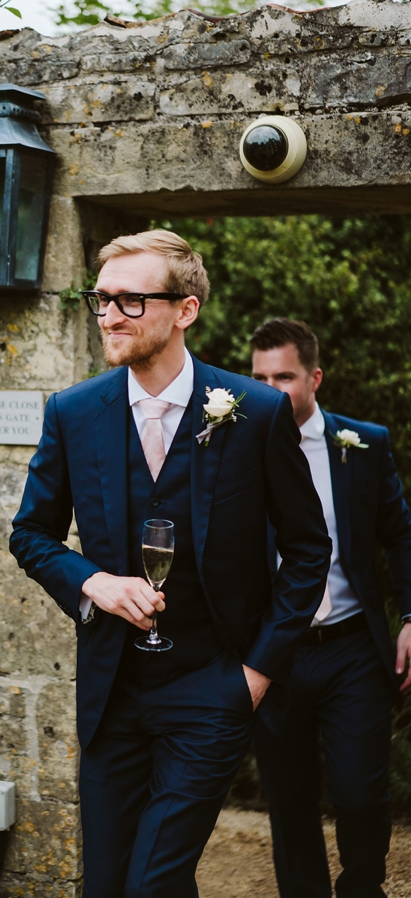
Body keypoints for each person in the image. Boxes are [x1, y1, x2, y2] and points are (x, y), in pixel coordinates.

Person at [8, 230, 331, 898]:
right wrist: (91, 581)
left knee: (150, 883)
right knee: (109, 886)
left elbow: (307, 550)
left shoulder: (257, 411)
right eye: (100, 301)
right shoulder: (72, 412)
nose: (108, 316)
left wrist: (255, 673)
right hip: (112, 694)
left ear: (184, 310)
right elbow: (31, 535)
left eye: (130, 300)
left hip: (212, 688)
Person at [250, 317, 411, 898]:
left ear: (314, 378)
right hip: (275, 651)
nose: (270, 390)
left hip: (350, 649)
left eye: (284, 376)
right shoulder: (232, 448)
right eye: (259, 377)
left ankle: (363, 890)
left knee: (361, 794)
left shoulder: (362, 446)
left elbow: (401, 533)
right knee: (289, 801)